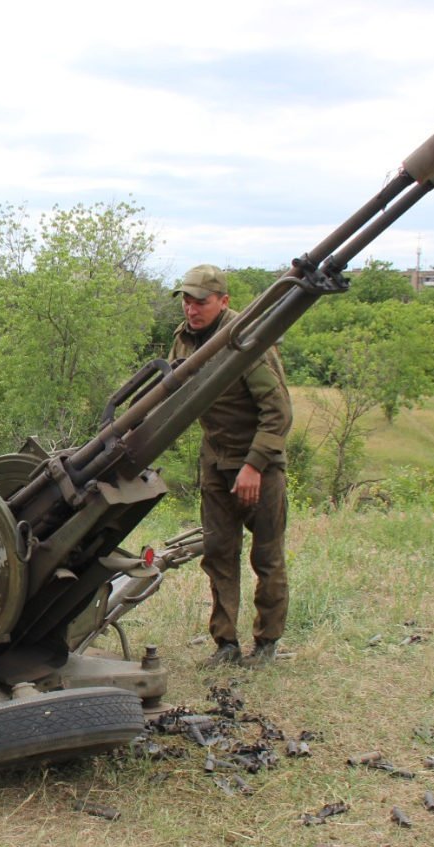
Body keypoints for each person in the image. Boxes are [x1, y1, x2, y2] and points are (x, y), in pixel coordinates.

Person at [167, 265, 293, 668]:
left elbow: (278, 411)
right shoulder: (184, 341)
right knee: (219, 554)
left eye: (200, 301)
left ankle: (268, 642)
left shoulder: (245, 339)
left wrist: (255, 465)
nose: (191, 309)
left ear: (223, 302)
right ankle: (226, 645)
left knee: (267, 556)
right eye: (186, 300)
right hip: (216, 462)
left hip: (260, 465)